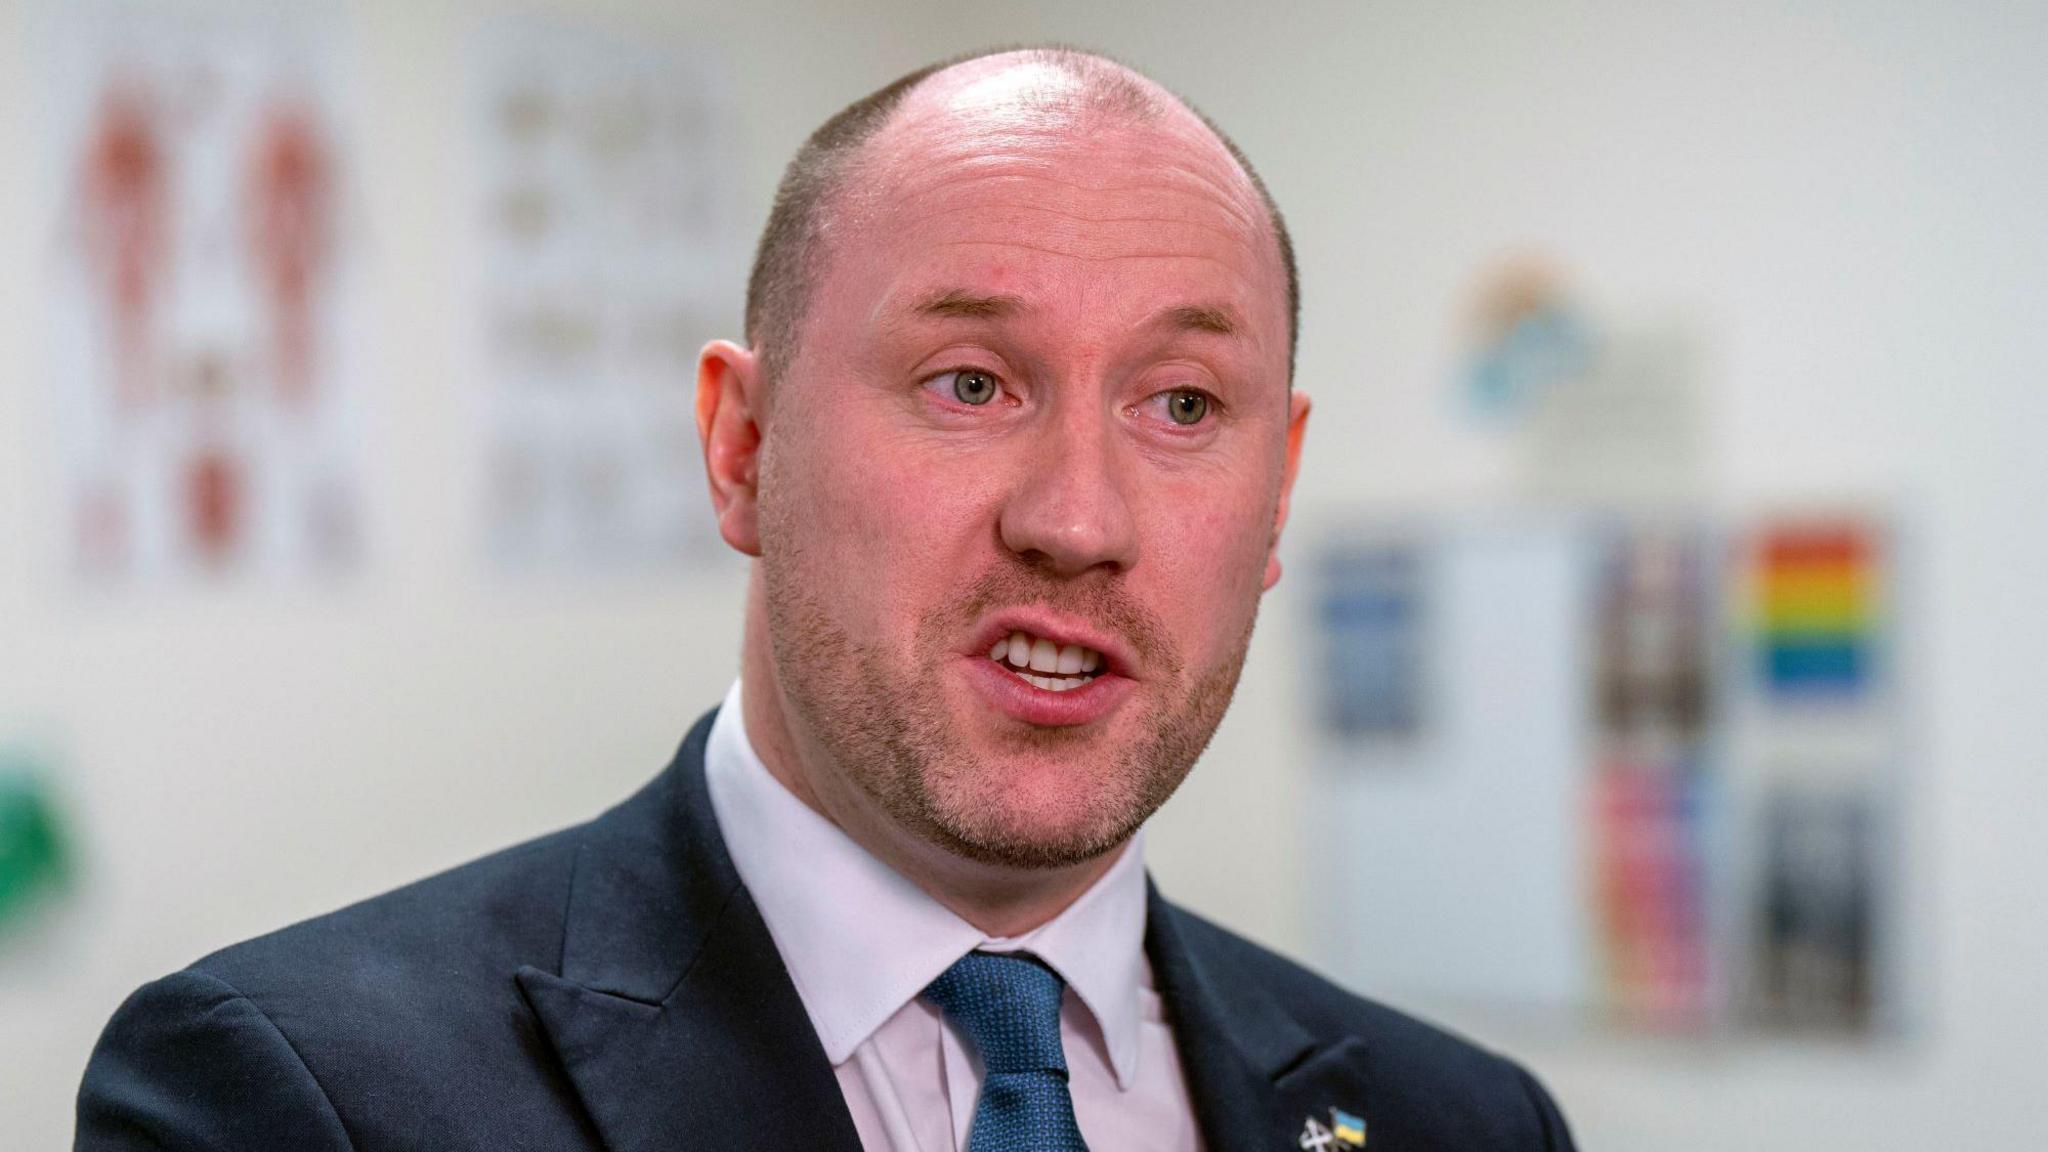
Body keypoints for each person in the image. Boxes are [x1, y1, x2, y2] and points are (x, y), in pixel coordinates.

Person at [76, 47, 1576, 1151]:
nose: (1077, 520)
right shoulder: (293, 1098)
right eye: (971, 383)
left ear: (1279, 491)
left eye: (1182, 405)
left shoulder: (1466, 1125)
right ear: (743, 449)